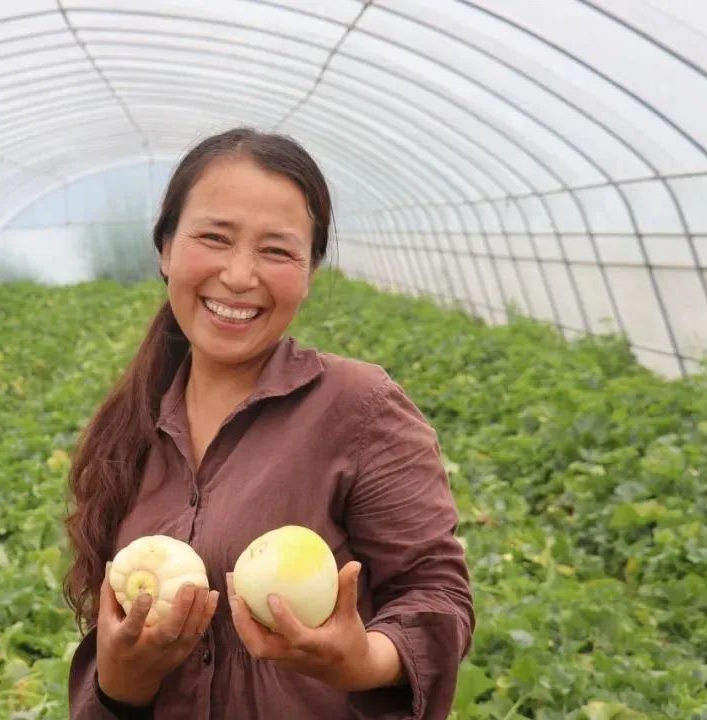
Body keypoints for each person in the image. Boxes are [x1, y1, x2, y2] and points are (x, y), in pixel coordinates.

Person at [63, 127, 474, 719]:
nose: (238, 275)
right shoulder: (128, 431)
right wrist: (121, 680)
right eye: (214, 237)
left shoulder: (358, 407)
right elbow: (113, 681)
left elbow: (436, 592)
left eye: (276, 250)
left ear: (309, 272)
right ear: (166, 249)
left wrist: (361, 660)